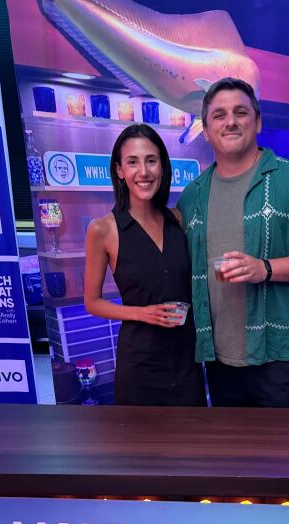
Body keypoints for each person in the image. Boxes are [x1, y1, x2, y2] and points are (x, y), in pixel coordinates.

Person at [177, 78, 289, 407]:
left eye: (241, 112)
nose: (231, 121)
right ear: (206, 130)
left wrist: (263, 268)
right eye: (219, 115)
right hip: (217, 354)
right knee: (231, 453)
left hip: (279, 356)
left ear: (258, 120)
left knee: (279, 455)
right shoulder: (193, 195)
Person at [84, 124, 206, 406]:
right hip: (140, 366)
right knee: (142, 448)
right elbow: (92, 302)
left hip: (188, 362)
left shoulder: (179, 219)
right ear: (119, 170)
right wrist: (142, 313)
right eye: (132, 162)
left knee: (194, 446)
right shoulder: (103, 229)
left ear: (162, 166)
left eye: (151, 160)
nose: (144, 171)